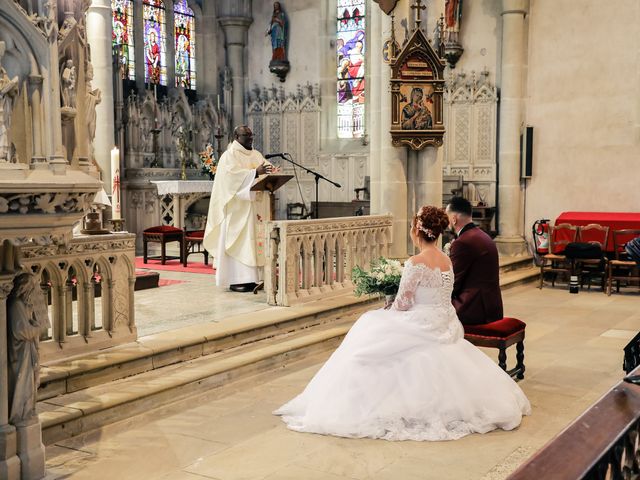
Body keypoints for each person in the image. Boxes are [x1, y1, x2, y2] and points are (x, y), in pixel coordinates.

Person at [274, 206, 530, 441]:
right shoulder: (447, 260)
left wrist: (388, 306)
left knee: (366, 330)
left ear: (416, 231)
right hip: (444, 321)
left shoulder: (415, 263)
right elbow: (443, 294)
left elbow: (403, 304)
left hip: (421, 321)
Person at [202, 125, 277, 292]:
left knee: (254, 241)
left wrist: (273, 172)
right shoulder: (229, 156)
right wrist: (254, 173)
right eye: (246, 135)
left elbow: (266, 169)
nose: (250, 138)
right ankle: (237, 279)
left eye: (251, 135)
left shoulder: (256, 154)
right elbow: (230, 179)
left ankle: (254, 278)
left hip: (255, 207)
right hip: (237, 210)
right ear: (236, 136)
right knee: (240, 242)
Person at [446, 196, 503, 325]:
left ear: (454, 219)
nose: (447, 222)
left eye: (448, 217)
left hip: (473, 309)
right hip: (492, 307)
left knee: (430, 315)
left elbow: (453, 283)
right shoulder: (483, 235)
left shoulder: (463, 242)